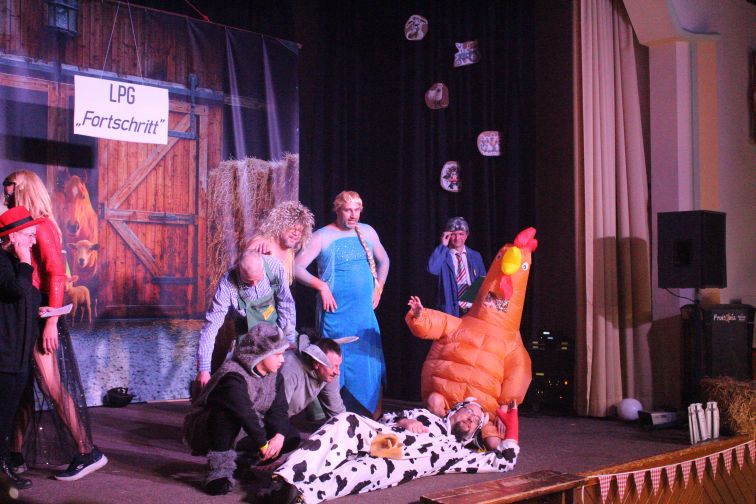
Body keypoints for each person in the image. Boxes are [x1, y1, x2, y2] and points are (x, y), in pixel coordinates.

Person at [3, 171, 107, 481]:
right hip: (27, 317)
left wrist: (51, 322)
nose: (6, 195)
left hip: (40, 318)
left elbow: (56, 274)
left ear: (24, 190)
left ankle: (87, 451)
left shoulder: (43, 225)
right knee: (22, 390)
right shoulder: (23, 225)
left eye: (10, 190)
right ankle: (13, 454)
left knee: (52, 387)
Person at [257, 398, 520, 504]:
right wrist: (406, 422)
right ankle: (287, 476)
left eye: (476, 421)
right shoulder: (424, 414)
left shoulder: (457, 452)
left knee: (359, 473)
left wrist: (512, 425)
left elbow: (504, 462)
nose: (472, 418)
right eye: (470, 412)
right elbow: (387, 418)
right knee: (346, 421)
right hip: (388, 441)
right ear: (457, 409)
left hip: (399, 465)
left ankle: (300, 494)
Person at [295, 191, 389, 417]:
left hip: (363, 315)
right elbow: (295, 267)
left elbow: (384, 260)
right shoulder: (322, 236)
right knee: (333, 361)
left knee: (368, 363)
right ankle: (334, 417)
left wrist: (379, 287)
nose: (353, 215)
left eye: (357, 210)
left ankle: (370, 417)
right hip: (335, 315)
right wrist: (321, 286)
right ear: (337, 209)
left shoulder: (367, 231)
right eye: (348, 210)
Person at [183, 323, 299, 496]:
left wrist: (279, 436)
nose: (282, 360)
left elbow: (279, 410)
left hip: (246, 429)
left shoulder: (276, 377)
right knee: (227, 414)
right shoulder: (232, 374)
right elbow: (244, 413)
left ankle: (241, 462)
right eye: (278, 354)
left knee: (290, 435)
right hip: (209, 430)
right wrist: (263, 445)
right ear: (262, 353)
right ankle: (219, 472)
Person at [195, 249, 296, 391]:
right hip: (248, 342)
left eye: (258, 279)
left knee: (290, 370)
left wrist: (288, 339)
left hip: (276, 333)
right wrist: (204, 368)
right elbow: (211, 326)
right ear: (238, 270)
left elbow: (286, 303)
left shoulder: (274, 267)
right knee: (241, 384)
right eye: (249, 281)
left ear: (262, 265)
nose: (254, 284)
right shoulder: (227, 284)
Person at [0, 206, 42, 490]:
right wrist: (26, 261)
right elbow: (15, 291)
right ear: (13, 236)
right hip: (4, 356)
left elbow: (25, 296)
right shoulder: (3, 262)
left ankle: (3, 466)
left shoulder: (14, 264)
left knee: (7, 418)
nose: (34, 241)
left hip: (18, 355)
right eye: (30, 235)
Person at [280, 329, 347, 419]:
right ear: (316, 364)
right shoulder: (290, 369)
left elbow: (336, 412)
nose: (337, 372)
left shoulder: (330, 374)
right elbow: (276, 412)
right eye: (333, 366)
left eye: (338, 366)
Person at [245, 201, 315, 285]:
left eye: (300, 231)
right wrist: (260, 260)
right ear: (280, 225)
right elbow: (238, 276)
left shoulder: (290, 251)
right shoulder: (261, 244)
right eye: (292, 228)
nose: (296, 233)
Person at [427, 217, 485, 316]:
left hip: (472, 311)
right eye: (453, 234)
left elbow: (483, 281)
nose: (457, 238)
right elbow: (432, 269)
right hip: (450, 311)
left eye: (461, 234)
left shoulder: (475, 256)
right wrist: (443, 246)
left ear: (466, 235)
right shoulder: (443, 256)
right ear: (448, 235)